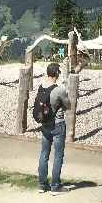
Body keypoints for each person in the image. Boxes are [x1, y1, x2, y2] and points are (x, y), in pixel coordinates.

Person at [36, 62, 71, 195]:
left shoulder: (41, 87)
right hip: (58, 124)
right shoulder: (59, 89)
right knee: (58, 155)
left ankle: (42, 184)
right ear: (56, 73)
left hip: (45, 125)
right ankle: (55, 186)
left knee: (44, 154)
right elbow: (68, 106)